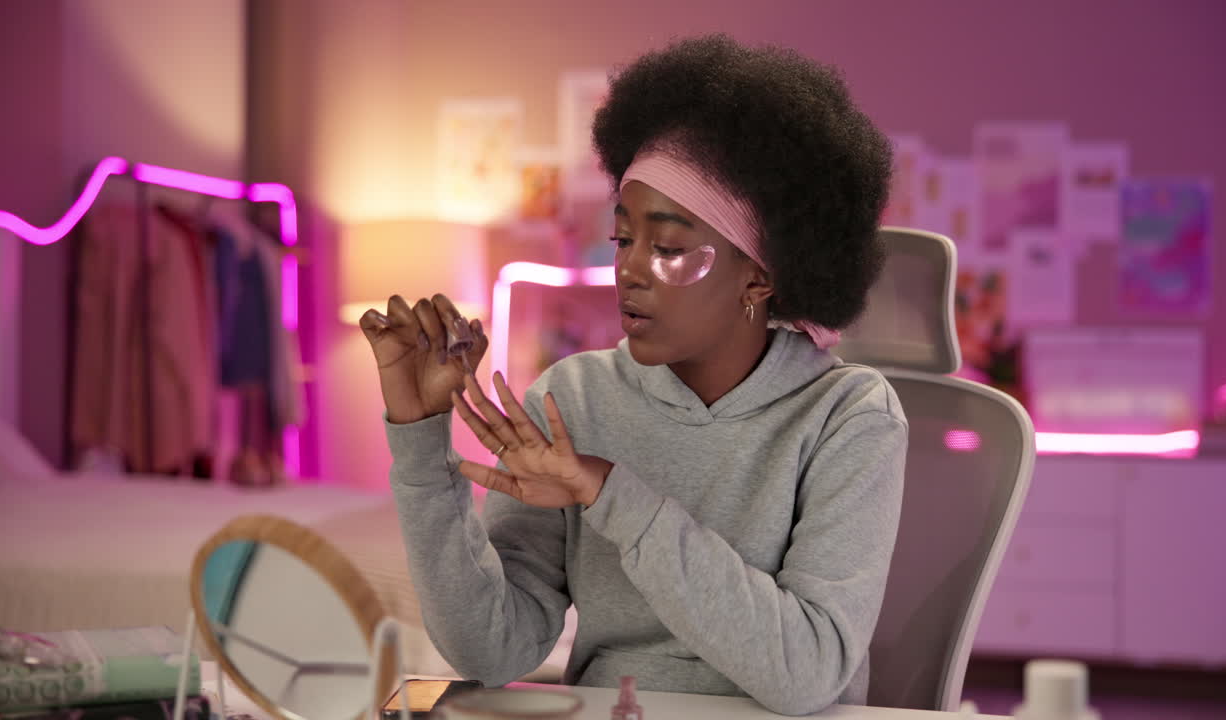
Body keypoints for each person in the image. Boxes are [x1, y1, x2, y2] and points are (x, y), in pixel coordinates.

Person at [360, 34, 906, 715]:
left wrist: (611, 491)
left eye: (669, 246)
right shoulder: (574, 399)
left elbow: (806, 673)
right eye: (623, 238)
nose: (629, 269)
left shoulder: (847, 415)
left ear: (761, 275)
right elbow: (492, 650)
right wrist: (420, 442)